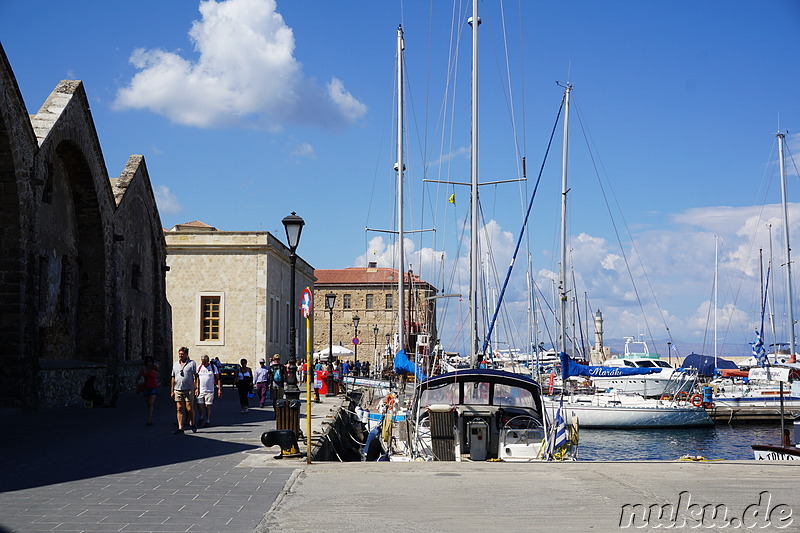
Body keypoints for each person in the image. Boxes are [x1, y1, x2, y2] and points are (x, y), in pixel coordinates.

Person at [170, 347, 198, 434]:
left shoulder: (192, 364)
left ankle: (192, 422)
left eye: (182, 354)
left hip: (189, 389)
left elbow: (196, 376)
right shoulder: (175, 364)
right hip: (178, 389)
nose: (180, 356)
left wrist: (196, 387)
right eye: (179, 354)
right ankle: (180, 428)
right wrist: (172, 390)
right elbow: (173, 377)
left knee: (189, 408)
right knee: (179, 408)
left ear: (186, 355)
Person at [196, 355, 221, 427]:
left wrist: (219, 389)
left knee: (208, 406)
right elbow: (196, 378)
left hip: (210, 390)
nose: (202, 363)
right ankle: (201, 417)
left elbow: (218, 378)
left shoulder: (213, 367)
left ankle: (207, 420)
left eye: (204, 361)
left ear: (207, 361)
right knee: (199, 404)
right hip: (201, 390)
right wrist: (196, 388)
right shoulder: (199, 367)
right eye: (202, 361)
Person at [137, 356, 159, 425]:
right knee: (148, 404)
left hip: (153, 387)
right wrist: (138, 386)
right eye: (147, 361)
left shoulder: (154, 369)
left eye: (150, 361)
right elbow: (138, 377)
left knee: (150, 403)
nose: (149, 363)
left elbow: (158, 366)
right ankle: (149, 418)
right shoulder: (144, 370)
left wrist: (153, 364)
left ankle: (150, 419)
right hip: (146, 387)